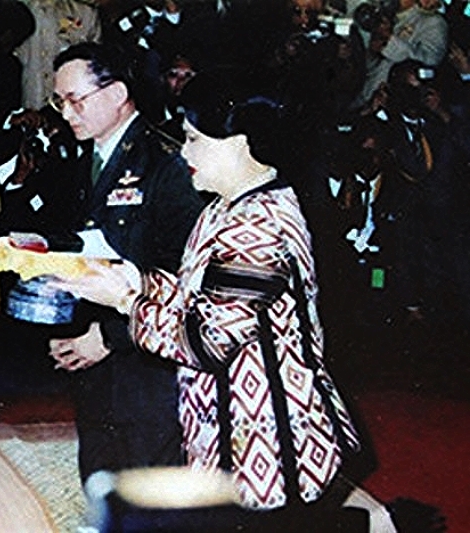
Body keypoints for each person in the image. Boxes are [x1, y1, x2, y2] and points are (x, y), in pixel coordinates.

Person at [54, 75, 387, 530]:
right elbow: (200, 294)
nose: (184, 152)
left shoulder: (260, 228)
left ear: (241, 143)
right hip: (229, 427)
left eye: (194, 139)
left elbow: (204, 342)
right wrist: (135, 279)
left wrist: (128, 300)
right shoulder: (226, 204)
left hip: (269, 440)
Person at [47, 42, 205, 498]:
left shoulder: (168, 162)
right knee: (100, 471)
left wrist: (110, 336)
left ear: (116, 93)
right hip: (93, 344)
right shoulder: (84, 156)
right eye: (60, 102)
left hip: (144, 358)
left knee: (149, 484)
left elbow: (183, 270)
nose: (66, 113)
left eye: (75, 100)